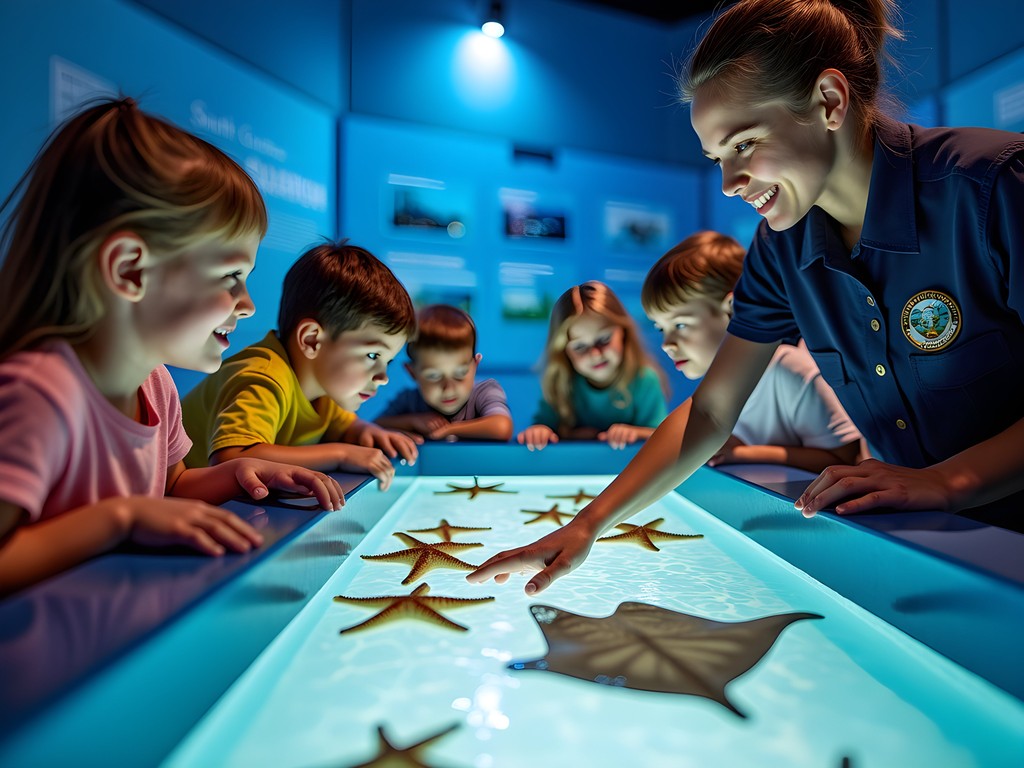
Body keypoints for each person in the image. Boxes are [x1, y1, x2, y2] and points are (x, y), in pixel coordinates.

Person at [469, 0, 1024, 594]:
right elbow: (710, 411)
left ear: (829, 102)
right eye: (716, 159)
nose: (730, 184)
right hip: (922, 556)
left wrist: (948, 481)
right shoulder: (780, 250)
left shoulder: (991, 187)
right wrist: (587, 526)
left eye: (744, 144)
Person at [0, 99, 344, 597]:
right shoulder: (41, 392)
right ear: (129, 270)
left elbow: (173, 485)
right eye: (231, 277)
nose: (247, 305)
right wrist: (119, 520)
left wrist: (237, 473)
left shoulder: (155, 383)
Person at [181, 241, 421, 490]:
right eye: (373, 356)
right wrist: (341, 454)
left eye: (388, 361)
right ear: (312, 339)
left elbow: (345, 425)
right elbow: (232, 457)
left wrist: (367, 432)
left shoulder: (323, 391)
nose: (383, 377)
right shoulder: (264, 376)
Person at [643, 230, 862, 473]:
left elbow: (844, 458)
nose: (666, 344)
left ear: (733, 308)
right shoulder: (718, 381)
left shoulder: (788, 368)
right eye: (661, 328)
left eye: (680, 325)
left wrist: (744, 453)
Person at [517, 281, 669, 451]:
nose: (595, 354)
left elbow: (664, 437)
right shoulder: (559, 382)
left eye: (604, 339)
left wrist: (634, 433)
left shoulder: (644, 380)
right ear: (564, 351)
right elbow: (542, 428)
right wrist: (539, 432)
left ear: (624, 333)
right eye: (580, 347)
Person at [374, 304, 513, 442]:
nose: (448, 388)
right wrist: (412, 421)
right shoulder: (409, 400)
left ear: (475, 365)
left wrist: (450, 429)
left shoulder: (485, 391)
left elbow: (502, 427)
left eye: (460, 374)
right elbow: (374, 426)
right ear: (412, 373)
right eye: (433, 376)